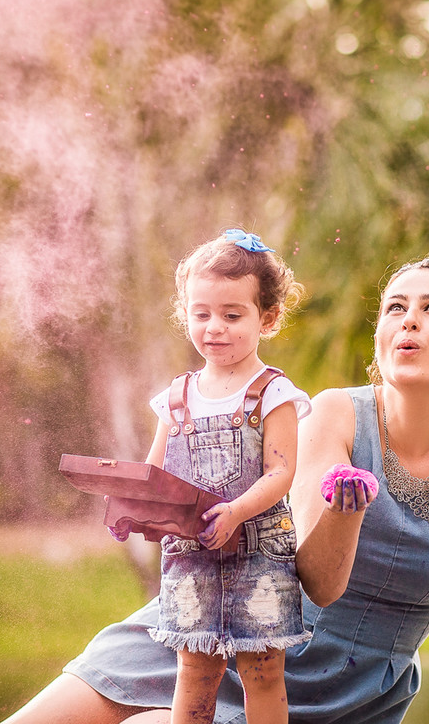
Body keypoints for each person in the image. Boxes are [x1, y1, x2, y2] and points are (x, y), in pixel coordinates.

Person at [1, 255, 429, 724]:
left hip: (340, 699)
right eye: (395, 307)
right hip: (220, 628)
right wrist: (345, 510)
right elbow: (318, 582)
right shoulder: (335, 414)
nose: (409, 320)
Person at [147, 228, 312, 724]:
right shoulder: (177, 397)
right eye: (201, 314)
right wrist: (133, 510)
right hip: (192, 556)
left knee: (262, 670)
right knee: (195, 668)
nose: (214, 327)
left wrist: (237, 510)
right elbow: (154, 474)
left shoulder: (273, 393)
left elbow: (282, 472)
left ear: (268, 318)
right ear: (186, 315)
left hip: (259, 550)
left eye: (232, 315)